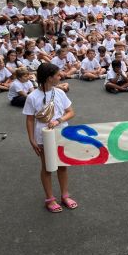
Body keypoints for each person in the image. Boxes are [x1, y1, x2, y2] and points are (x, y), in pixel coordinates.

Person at [22, 63, 77, 213]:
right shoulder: (32, 97)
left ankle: (65, 195)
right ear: (48, 78)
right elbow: (30, 119)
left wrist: (58, 120)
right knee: (47, 167)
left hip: (61, 133)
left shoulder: (59, 93)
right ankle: (50, 199)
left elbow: (71, 112)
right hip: (43, 136)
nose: (61, 76)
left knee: (62, 165)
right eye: (58, 75)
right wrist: (32, 140)